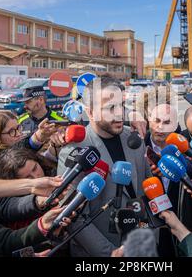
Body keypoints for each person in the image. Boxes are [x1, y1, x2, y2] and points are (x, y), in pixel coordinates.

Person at [57, 76, 151, 257]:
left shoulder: (134, 139)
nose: (119, 114)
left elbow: (145, 192)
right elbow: (73, 216)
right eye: (110, 108)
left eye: (121, 106)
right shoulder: (73, 152)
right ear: (90, 113)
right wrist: (111, 253)